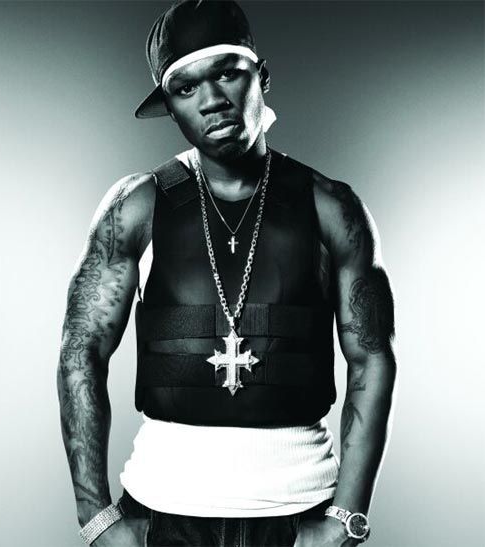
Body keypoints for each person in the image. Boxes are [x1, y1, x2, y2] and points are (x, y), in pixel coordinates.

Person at [57, 1, 397, 546]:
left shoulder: (332, 208)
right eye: (186, 88)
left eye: (227, 73)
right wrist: (95, 518)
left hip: (300, 515)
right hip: (162, 516)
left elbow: (371, 356)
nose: (211, 100)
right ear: (171, 108)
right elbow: (81, 351)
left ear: (262, 76)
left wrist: (347, 518)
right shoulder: (136, 208)